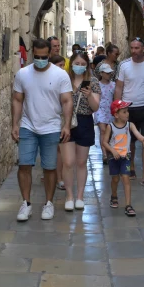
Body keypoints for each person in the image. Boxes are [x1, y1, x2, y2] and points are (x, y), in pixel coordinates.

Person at [12, 38, 73, 221]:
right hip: (28, 126)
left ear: (49, 54)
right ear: (32, 54)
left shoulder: (60, 75)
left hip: (51, 127)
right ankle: (26, 204)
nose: (40, 60)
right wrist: (15, 124)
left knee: (50, 167)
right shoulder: (23, 74)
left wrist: (67, 125)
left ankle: (48, 203)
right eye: (37, 57)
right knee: (24, 165)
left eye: (44, 57)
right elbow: (17, 99)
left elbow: (67, 100)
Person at [114, 38, 144, 185]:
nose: (134, 51)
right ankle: (131, 167)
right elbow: (119, 87)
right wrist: (117, 108)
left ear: (143, 49)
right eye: (132, 48)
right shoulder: (124, 65)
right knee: (130, 141)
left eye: (137, 48)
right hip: (128, 109)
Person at [61, 51, 100, 211]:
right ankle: (69, 196)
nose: (80, 67)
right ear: (71, 64)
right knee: (68, 162)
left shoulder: (93, 82)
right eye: (77, 63)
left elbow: (95, 107)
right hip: (66, 122)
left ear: (87, 65)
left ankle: (80, 197)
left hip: (84, 122)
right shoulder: (64, 80)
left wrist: (89, 95)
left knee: (81, 162)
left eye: (83, 64)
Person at [103, 100, 144, 217]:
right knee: (115, 179)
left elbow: (138, 135)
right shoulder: (110, 127)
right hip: (114, 158)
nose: (127, 114)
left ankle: (128, 205)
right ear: (116, 114)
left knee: (126, 179)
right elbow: (104, 142)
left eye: (127, 111)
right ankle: (114, 196)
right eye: (124, 112)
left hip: (126, 157)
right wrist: (112, 151)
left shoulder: (130, 125)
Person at [49, 54, 68, 190]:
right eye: (59, 65)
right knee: (51, 149)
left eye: (63, 65)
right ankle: (51, 174)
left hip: (60, 117)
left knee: (60, 150)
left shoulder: (64, 79)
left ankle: (60, 177)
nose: (62, 68)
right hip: (48, 117)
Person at [94, 63, 116, 161]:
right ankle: (104, 154)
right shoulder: (97, 85)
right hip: (100, 109)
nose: (108, 75)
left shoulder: (114, 85)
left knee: (109, 131)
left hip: (110, 110)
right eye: (106, 73)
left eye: (109, 73)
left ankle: (108, 150)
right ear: (101, 73)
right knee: (103, 130)